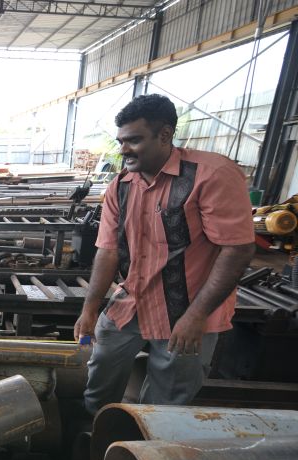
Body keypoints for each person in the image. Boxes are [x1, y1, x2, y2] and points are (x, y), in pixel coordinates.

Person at [74, 94, 255, 416]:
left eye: (134, 140)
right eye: (121, 141)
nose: (123, 149)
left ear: (165, 135)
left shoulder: (211, 175)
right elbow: (108, 250)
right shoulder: (122, 185)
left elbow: (237, 249)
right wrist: (89, 310)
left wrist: (196, 317)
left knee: (165, 402)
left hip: (188, 311)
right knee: (99, 370)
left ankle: (143, 452)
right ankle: (93, 434)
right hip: (131, 301)